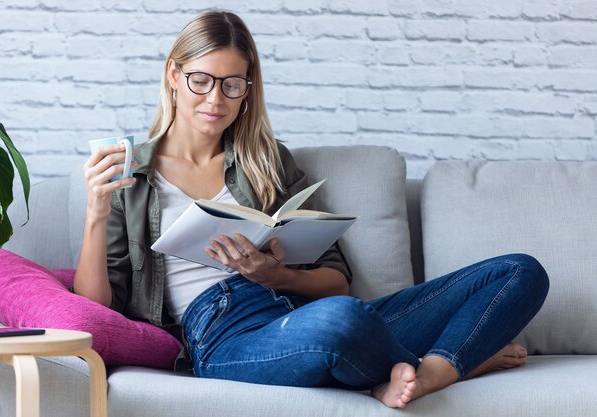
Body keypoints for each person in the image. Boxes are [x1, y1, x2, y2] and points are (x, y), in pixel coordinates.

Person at [74, 11, 550, 409]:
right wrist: (96, 212)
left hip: (301, 310)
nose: (215, 99)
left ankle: (430, 374)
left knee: (519, 271)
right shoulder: (129, 173)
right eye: (201, 80)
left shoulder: (268, 161)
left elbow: (336, 279)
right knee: (341, 321)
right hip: (224, 334)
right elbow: (95, 310)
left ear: (248, 89)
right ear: (173, 76)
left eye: (232, 85)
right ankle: (458, 360)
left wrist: (275, 276)